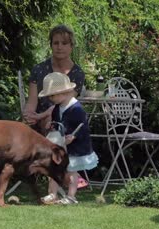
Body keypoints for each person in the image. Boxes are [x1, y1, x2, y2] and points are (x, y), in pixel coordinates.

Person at [38, 72, 98, 205]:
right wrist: (52, 125)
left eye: (53, 95)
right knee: (54, 169)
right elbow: (57, 122)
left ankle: (71, 196)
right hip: (60, 144)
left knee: (71, 170)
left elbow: (82, 127)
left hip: (74, 147)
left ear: (63, 92)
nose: (51, 98)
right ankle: (52, 194)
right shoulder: (57, 108)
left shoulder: (76, 109)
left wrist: (74, 136)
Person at [23, 24, 85, 134]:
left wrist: (41, 117)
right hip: (39, 118)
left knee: (51, 120)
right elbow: (32, 101)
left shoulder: (77, 73)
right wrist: (29, 115)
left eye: (64, 43)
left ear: (71, 46)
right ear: (51, 45)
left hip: (64, 119)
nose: (59, 47)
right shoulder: (38, 69)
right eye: (56, 43)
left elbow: (62, 103)